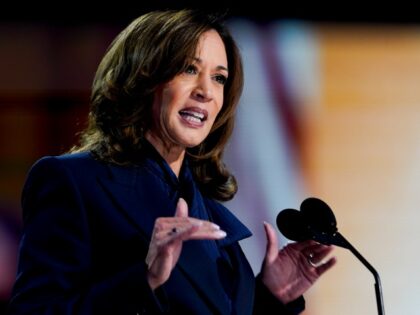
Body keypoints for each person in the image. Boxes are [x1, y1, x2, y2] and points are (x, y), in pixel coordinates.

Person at [7, 9, 336, 315]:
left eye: (219, 78)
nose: (206, 91)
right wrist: (144, 279)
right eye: (189, 69)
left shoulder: (211, 213)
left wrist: (269, 297)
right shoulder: (73, 182)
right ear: (143, 77)